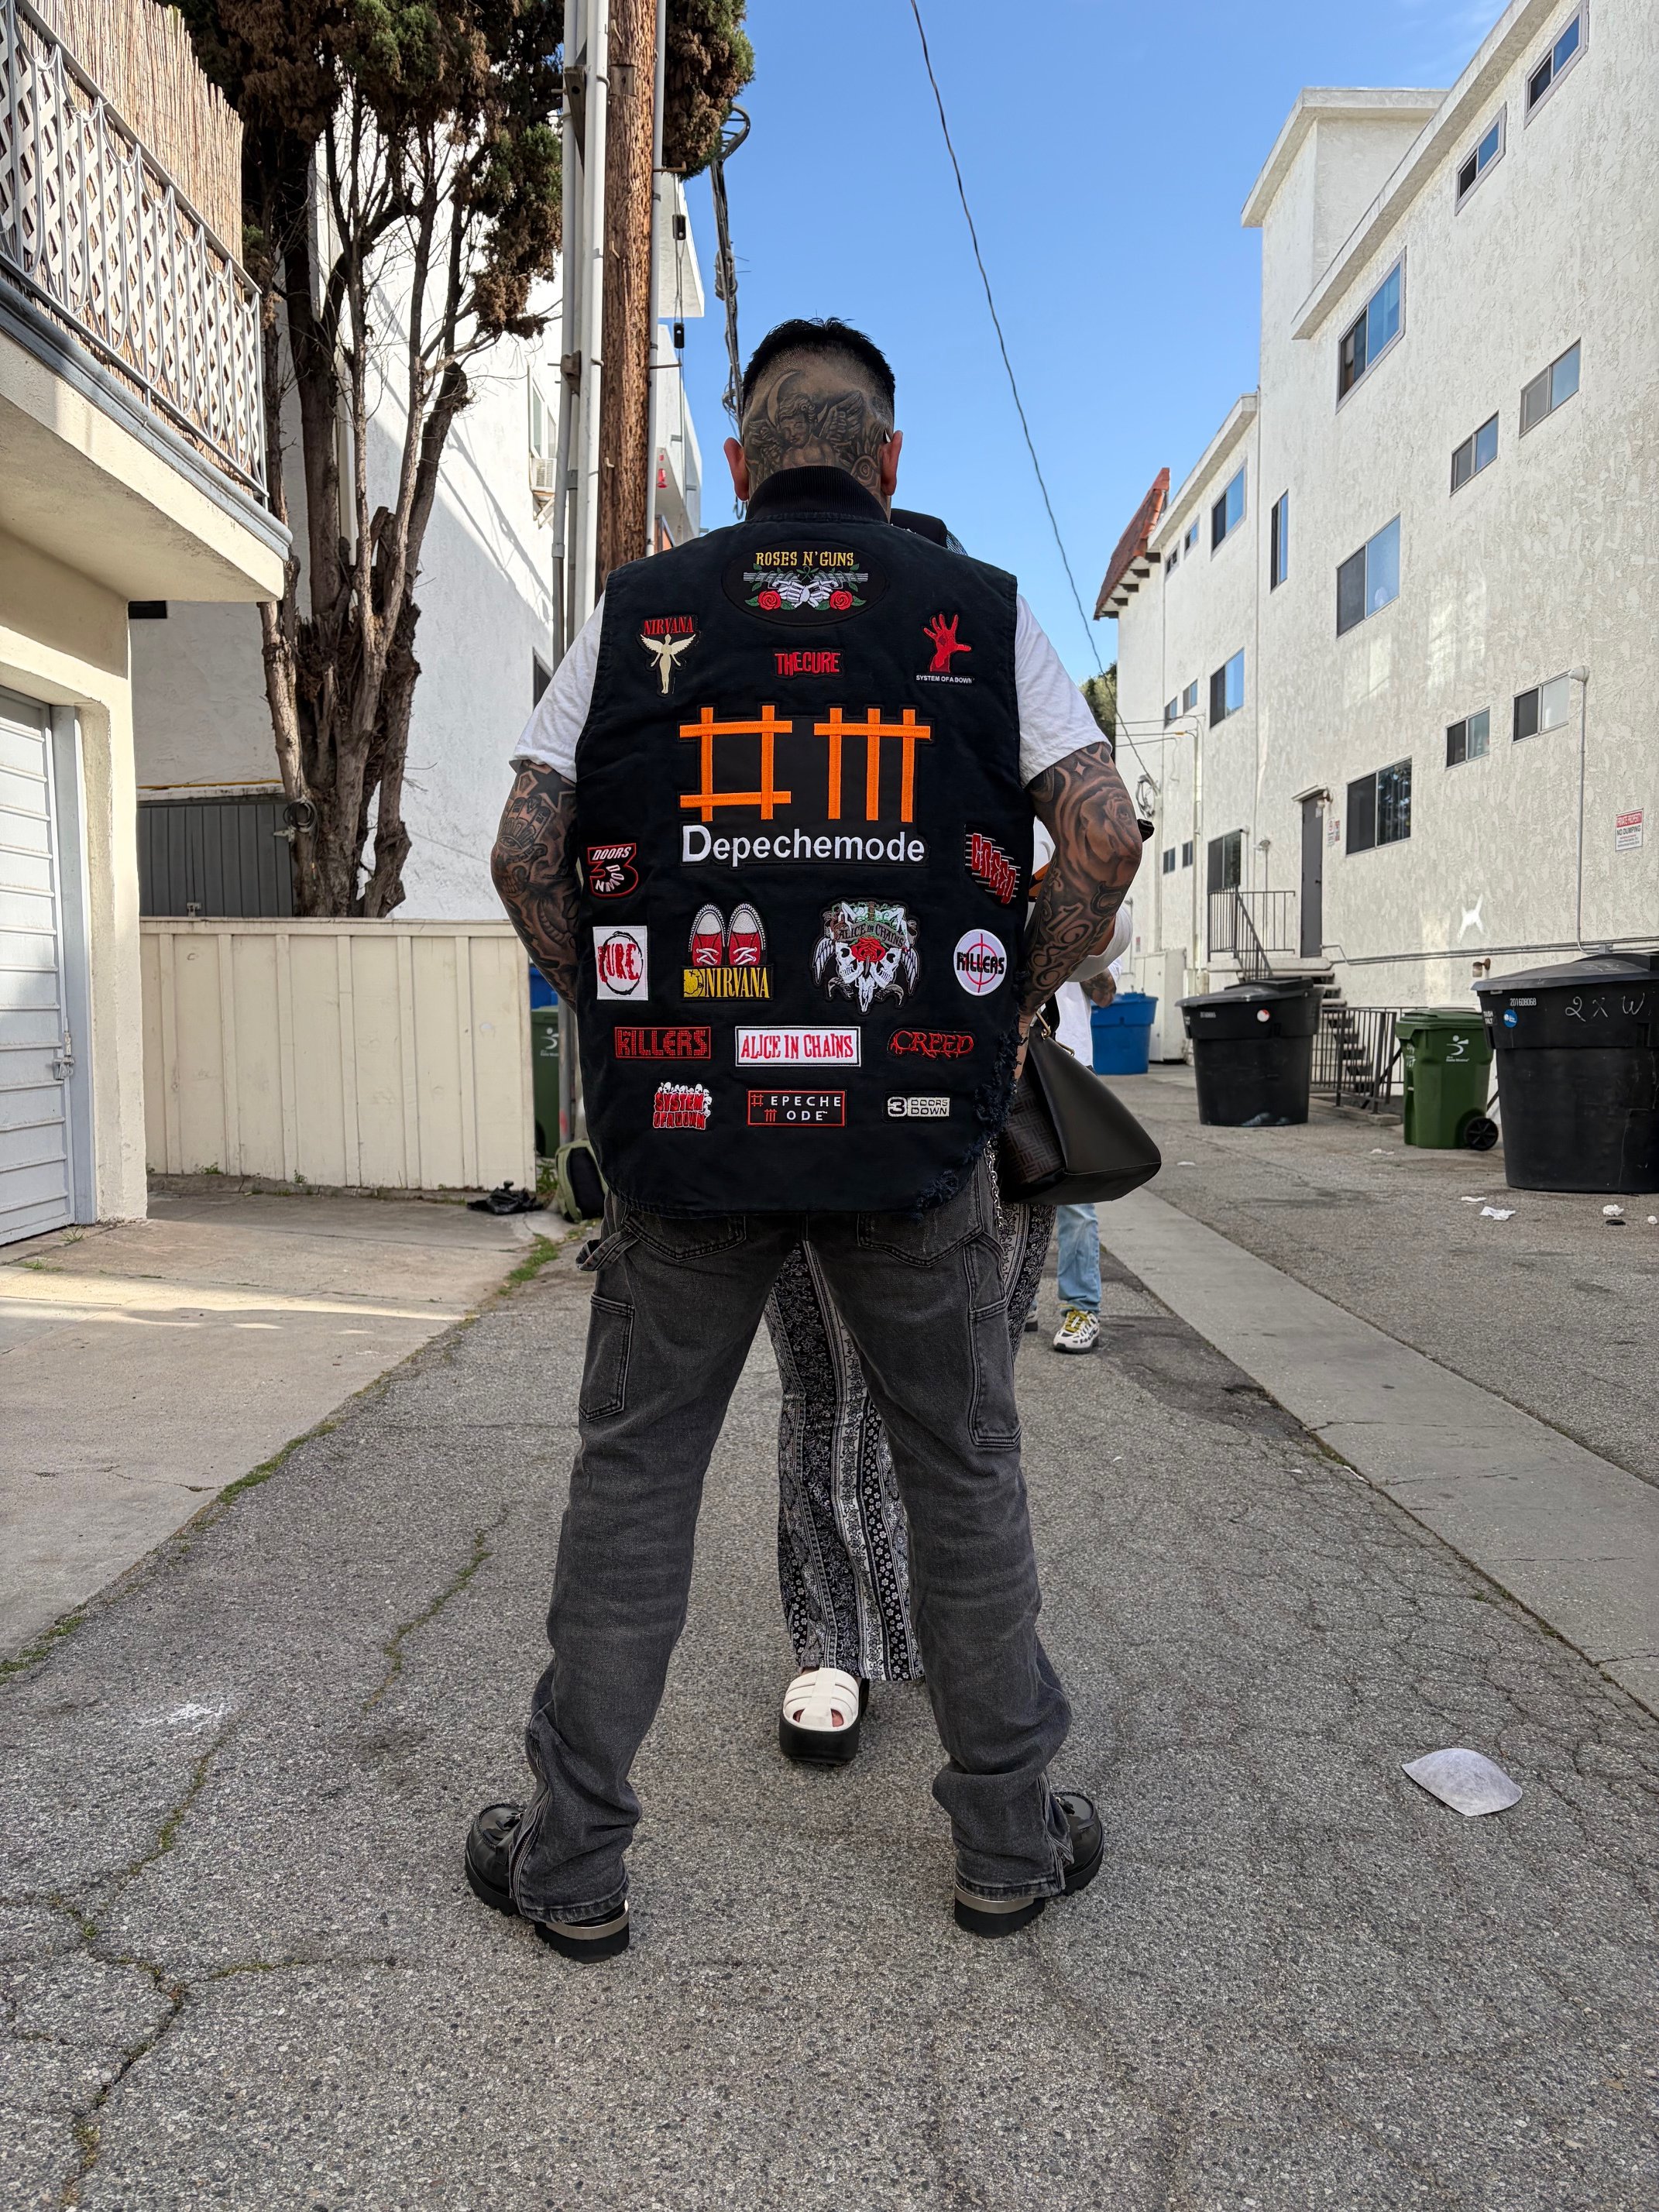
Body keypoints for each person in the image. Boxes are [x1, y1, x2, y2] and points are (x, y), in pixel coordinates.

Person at [471, 317, 1143, 1960]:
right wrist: (997, 1011)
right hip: (914, 1139)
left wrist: (622, 1021)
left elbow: (519, 855)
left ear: (746, 452)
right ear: (888, 461)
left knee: (635, 1480)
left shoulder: (642, 609)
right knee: (963, 1476)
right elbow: (1106, 839)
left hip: (688, 1143)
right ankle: (1004, 1843)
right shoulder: (978, 614)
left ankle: (570, 1863)